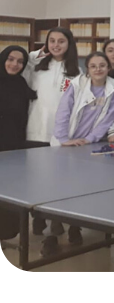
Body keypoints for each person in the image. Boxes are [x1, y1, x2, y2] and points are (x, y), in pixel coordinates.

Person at [45, 51, 114, 254]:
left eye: (102, 65)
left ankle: (74, 227)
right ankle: (52, 234)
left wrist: (89, 140)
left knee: (80, 189)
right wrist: (64, 140)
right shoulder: (77, 84)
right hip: (65, 143)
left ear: (109, 67)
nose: (98, 69)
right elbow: (63, 112)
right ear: (87, 69)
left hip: (87, 145)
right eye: (93, 66)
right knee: (59, 190)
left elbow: (108, 118)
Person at [21, 28, 81, 239]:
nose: (56, 45)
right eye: (52, 41)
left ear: (69, 44)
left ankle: (57, 221)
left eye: (61, 41)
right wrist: (39, 52)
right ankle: (39, 216)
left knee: (60, 182)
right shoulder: (36, 67)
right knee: (37, 179)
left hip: (61, 135)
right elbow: (23, 60)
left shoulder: (77, 72)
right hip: (35, 130)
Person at [0, 46, 37, 243]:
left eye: (20, 61)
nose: (15, 64)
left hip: (15, 146)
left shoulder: (21, 82)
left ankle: (7, 232)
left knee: (11, 190)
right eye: (11, 59)